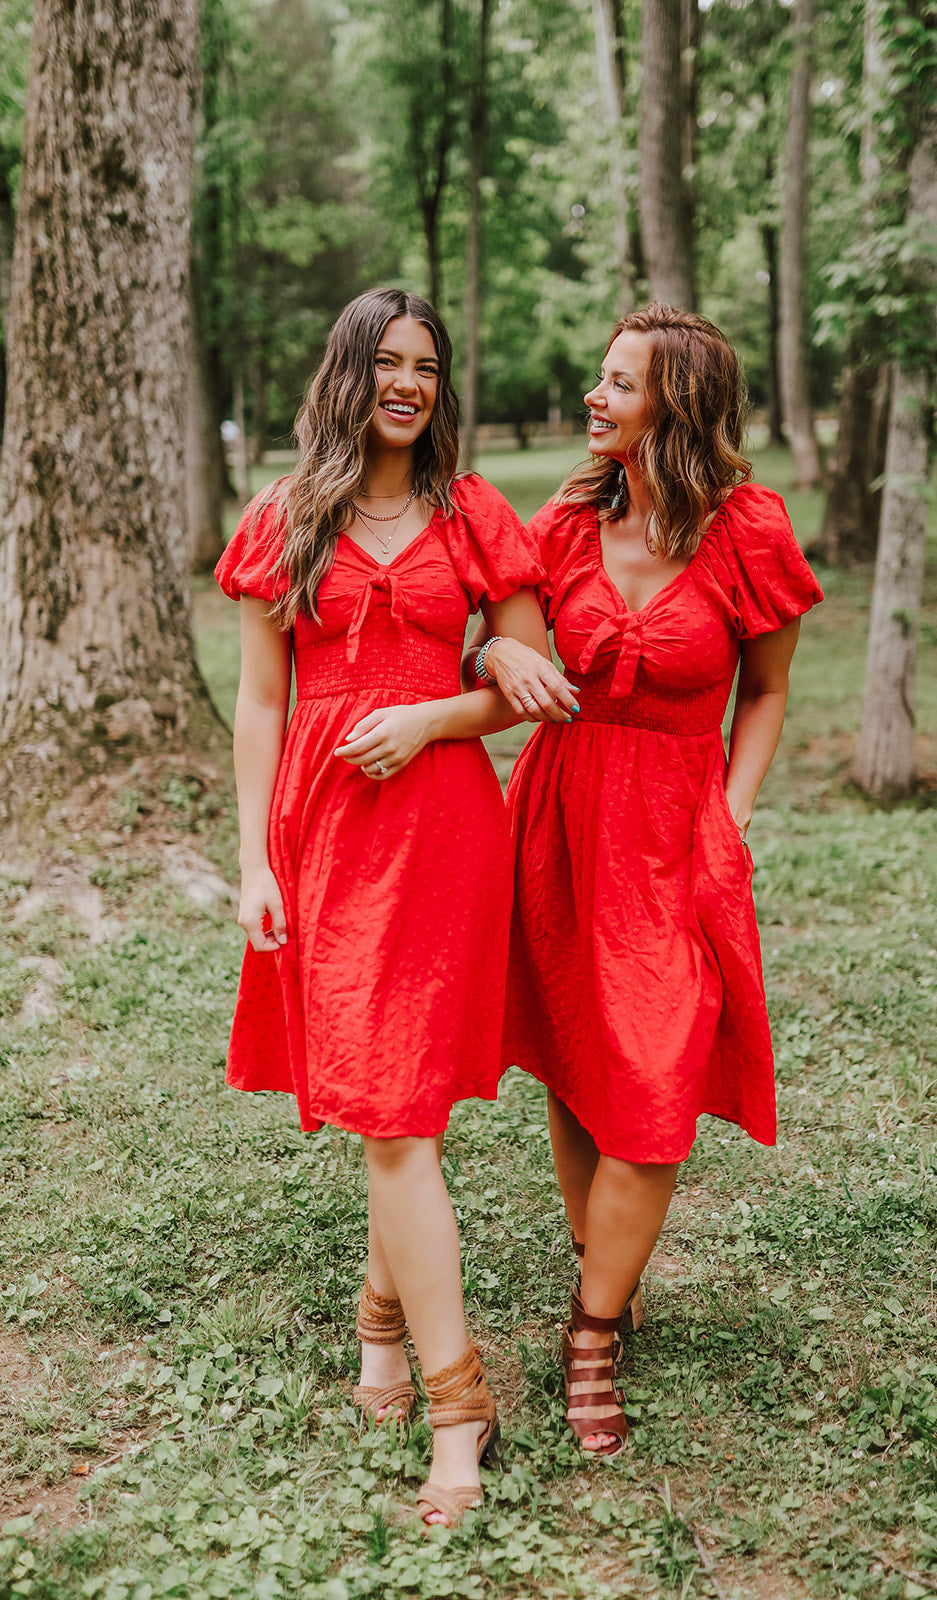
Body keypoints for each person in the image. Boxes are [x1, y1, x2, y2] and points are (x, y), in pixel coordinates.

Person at [215, 288, 576, 1527]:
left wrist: (432, 711)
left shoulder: (472, 512)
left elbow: (527, 681)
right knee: (388, 1106)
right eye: (387, 363)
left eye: (426, 365)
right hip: (323, 831)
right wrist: (254, 858)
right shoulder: (288, 512)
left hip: (440, 829)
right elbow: (263, 701)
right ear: (347, 374)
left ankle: (454, 1401)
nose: (409, 385)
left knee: (395, 1114)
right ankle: (383, 1321)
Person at [468, 302, 823, 1458]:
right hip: (560, 814)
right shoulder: (566, 524)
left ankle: (590, 1328)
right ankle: (603, 1271)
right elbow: (483, 636)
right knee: (578, 1058)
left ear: (675, 402)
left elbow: (764, 691)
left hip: (677, 827)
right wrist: (492, 655)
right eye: (598, 377)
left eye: (618, 383)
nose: (593, 396)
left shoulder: (748, 530)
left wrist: (731, 810)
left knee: (655, 1082)